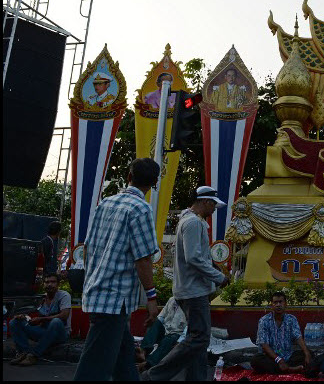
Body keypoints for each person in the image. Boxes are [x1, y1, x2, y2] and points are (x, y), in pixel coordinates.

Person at [73, 158, 161, 381]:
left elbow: (88, 247)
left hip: (100, 293)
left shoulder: (106, 203)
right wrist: (151, 297)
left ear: (129, 177)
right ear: (154, 183)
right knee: (93, 371)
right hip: (114, 300)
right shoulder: (141, 209)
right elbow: (143, 258)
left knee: (124, 363)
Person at [145, 186, 231, 381]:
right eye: (213, 205)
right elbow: (194, 258)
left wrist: (213, 269)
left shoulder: (188, 220)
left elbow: (194, 257)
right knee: (198, 338)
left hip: (189, 289)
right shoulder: (193, 223)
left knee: (198, 340)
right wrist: (219, 277)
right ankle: (153, 375)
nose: (214, 209)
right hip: (194, 291)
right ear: (205, 202)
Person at [9, 273, 71, 366]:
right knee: (15, 322)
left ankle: (33, 355)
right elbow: (30, 315)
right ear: (44, 284)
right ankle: (24, 353)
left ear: (58, 284)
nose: (49, 284)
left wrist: (41, 319)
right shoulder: (41, 298)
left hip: (60, 334)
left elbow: (64, 315)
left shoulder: (64, 295)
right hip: (43, 332)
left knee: (56, 321)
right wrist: (23, 316)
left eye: (53, 282)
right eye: (47, 282)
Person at [251, 291, 313, 374]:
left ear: (285, 304)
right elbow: (264, 344)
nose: (278, 305)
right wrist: (279, 360)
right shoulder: (264, 321)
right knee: (256, 360)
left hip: (288, 356)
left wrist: (306, 353)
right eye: (275, 302)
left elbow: (298, 337)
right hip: (272, 358)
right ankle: (290, 369)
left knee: (310, 354)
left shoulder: (292, 319)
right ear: (271, 305)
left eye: (281, 302)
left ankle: (284, 369)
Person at [138, 296, 188, 370]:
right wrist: (156, 325)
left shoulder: (190, 304)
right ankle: (143, 350)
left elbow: (189, 327)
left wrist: (180, 341)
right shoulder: (172, 299)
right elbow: (161, 317)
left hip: (177, 334)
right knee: (156, 324)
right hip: (166, 329)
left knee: (168, 340)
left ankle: (148, 363)